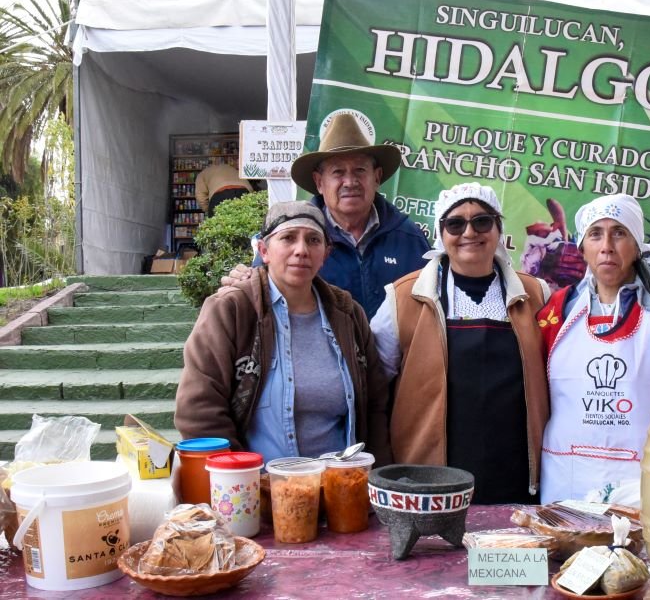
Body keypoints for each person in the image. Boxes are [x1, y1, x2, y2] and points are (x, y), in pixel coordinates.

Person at [371, 182, 551, 504]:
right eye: (455, 223)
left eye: (482, 221)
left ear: (498, 228)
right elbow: (375, 387)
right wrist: (385, 463)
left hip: (517, 476)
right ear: (441, 233)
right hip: (429, 479)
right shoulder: (403, 298)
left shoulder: (536, 294)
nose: (470, 232)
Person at [175, 201, 391, 466]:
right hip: (258, 492)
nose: (301, 250)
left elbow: (376, 403)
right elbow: (199, 410)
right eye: (288, 238)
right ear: (264, 251)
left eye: (313, 240)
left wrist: (377, 477)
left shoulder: (348, 314)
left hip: (340, 489)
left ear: (325, 253)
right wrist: (241, 482)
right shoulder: (232, 310)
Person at [538, 193, 650, 505]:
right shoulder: (558, 311)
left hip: (646, 484)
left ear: (637, 244)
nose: (607, 247)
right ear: (583, 247)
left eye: (619, 233)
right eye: (595, 234)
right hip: (567, 481)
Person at [225, 112, 430, 319]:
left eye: (359, 170)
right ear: (319, 182)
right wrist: (243, 282)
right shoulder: (290, 238)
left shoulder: (409, 238)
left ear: (376, 177)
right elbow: (261, 301)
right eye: (338, 172)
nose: (350, 182)